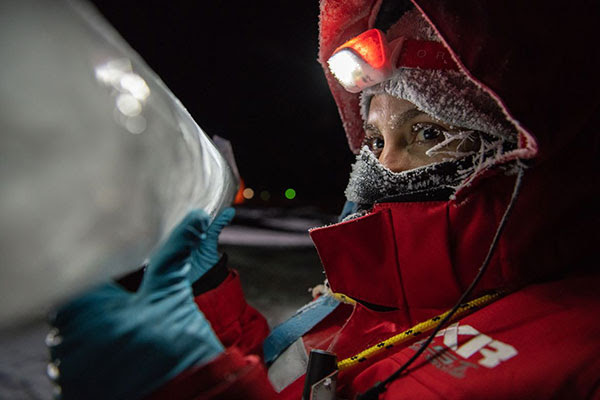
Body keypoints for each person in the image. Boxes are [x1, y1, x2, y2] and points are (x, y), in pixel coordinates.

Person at [47, 0, 600, 399]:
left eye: (430, 133)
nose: (385, 167)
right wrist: (205, 290)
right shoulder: (386, 303)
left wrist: (195, 389)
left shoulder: (578, 357)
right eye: (376, 140)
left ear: (523, 153)